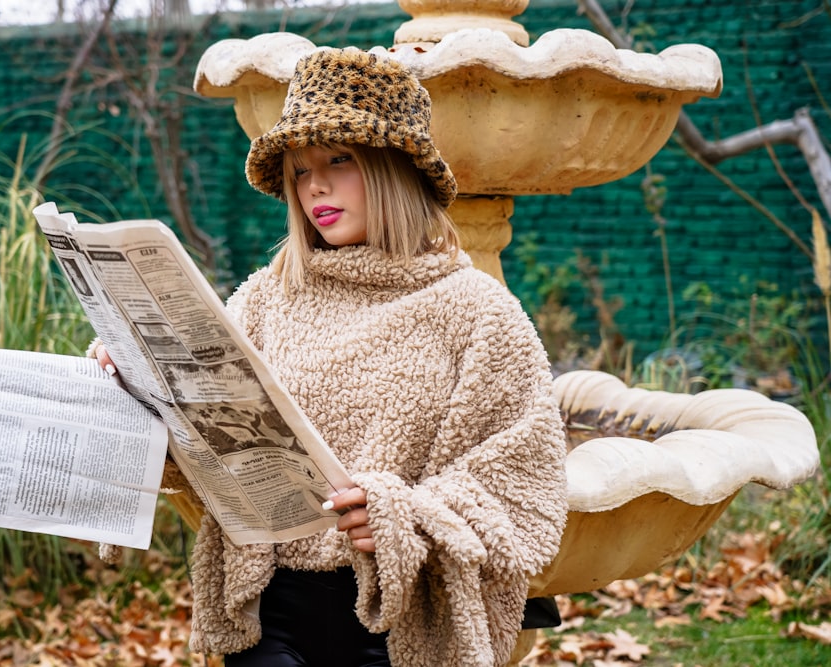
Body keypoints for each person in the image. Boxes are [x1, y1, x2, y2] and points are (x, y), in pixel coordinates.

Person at [91, 47, 567, 667]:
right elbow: (203, 438)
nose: (314, 185)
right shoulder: (266, 298)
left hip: (399, 622)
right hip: (266, 610)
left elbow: (525, 485)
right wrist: (134, 376)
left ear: (395, 167)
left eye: (339, 160)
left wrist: (401, 515)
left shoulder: (477, 309)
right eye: (299, 170)